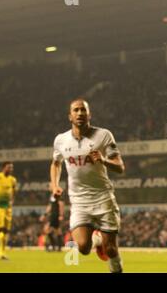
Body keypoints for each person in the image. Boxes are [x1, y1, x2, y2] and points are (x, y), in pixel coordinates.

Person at [50, 98, 125, 273]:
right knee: (82, 247)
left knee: (111, 250)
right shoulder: (61, 140)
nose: (80, 113)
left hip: (103, 198)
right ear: (70, 116)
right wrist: (54, 185)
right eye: (76, 110)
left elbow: (120, 167)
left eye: (83, 110)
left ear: (89, 114)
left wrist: (104, 160)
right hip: (79, 201)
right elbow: (55, 163)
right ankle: (97, 239)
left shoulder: (104, 135)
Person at [0, 162, 17, 260]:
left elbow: (14, 191)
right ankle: (1, 253)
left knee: (5, 231)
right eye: (9, 167)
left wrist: (12, 201)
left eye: (12, 167)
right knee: (0, 230)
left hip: (7, 208)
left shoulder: (13, 180)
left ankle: (2, 253)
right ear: (3, 168)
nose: (11, 169)